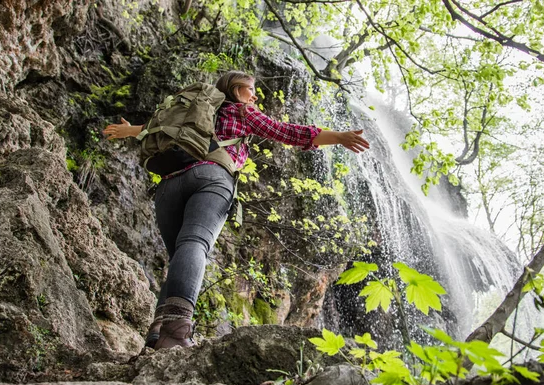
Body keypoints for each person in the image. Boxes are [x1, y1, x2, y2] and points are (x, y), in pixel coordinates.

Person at [103, 71, 370, 350]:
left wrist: (129, 130)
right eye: (250, 90)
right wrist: (338, 136)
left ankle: (157, 334)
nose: (254, 96)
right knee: (195, 244)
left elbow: (156, 129)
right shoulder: (240, 112)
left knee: (181, 255)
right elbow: (286, 132)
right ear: (234, 89)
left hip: (169, 186)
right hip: (211, 179)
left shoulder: (195, 112)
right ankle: (176, 332)